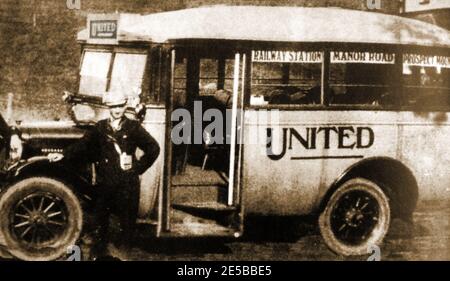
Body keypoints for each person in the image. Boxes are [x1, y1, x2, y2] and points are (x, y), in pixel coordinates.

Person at [48, 92, 160, 259]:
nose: (117, 110)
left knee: (126, 226)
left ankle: (124, 256)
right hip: (106, 184)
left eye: (120, 106)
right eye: (114, 107)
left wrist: (137, 168)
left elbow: (153, 148)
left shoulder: (133, 127)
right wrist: (63, 154)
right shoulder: (100, 128)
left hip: (127, 184)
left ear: (125, 107)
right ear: (109, 108)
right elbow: (83, 145)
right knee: (100, 226)